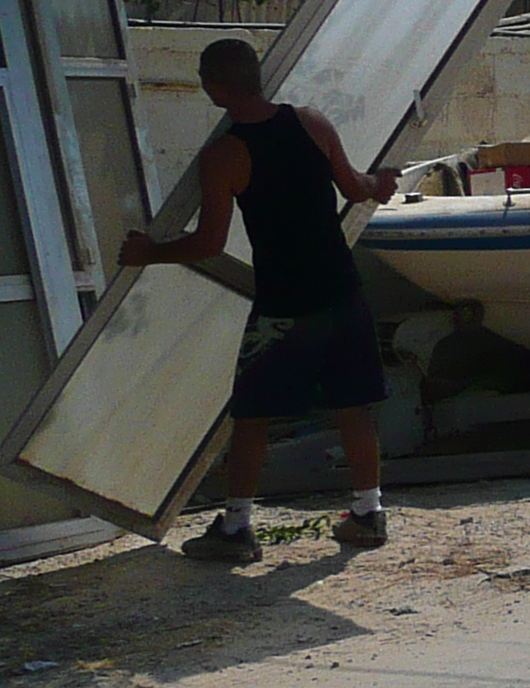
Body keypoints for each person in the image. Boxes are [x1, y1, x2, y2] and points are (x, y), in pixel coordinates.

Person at [122, 38, 399, 563]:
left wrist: (148, 253)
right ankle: (368, 514)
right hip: (340, 289)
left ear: (214, 85)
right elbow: (356, 187)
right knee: (352, 405)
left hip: (284, 306)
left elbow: (208, 243)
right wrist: (379, 184)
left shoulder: (225, 154)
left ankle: (237, 528)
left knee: (253, 416)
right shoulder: (311, 122)